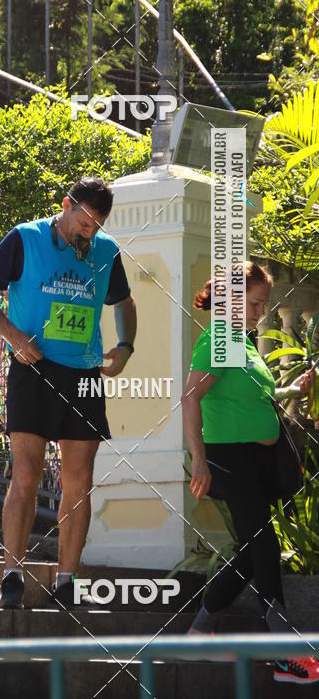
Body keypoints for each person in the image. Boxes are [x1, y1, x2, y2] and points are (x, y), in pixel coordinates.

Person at [0, 176, 137, 609]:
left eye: (98, 224)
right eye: (85, 221)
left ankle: (67, 581)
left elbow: (124, 302)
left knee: (79, 482)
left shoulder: (106, 251)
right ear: (66, 205)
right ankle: (11, 575)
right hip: (34, 368)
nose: (90, 231)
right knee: (27, 473)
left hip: (83, 374)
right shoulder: (25, 238)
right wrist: (13, 337)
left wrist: (125, 346)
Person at [182, 261, 318, 684]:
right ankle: (284, 653)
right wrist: (199, 458)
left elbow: (252, 395)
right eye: (256, 303)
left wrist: (292, 390)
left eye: (264, 304)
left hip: (254, 462)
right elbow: (190, 397)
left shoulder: (241, 341)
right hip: (228, 458)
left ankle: (199, 634)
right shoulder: (220, 338)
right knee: (264, 543)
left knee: (249, 551)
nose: (262, 311)